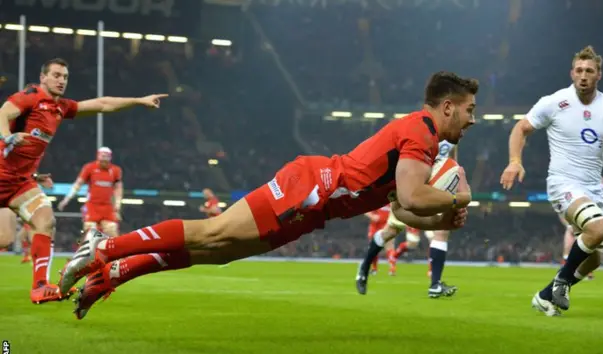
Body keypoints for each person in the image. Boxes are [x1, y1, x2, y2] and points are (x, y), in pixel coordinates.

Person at [59, 71, 478, 319]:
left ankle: (117, 272)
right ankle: (104, 247)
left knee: (218, 251)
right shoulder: (420, 132)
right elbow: (412, 194)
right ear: (446, 107)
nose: (472, 119)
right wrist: (458, 200)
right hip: (313, 185)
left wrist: (441, 220)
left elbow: (404, 210)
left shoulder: (425, 142)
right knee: (212, 230)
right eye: (469, 110)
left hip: (318, 208)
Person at [0, 57, 167, 304]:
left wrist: (138, 101)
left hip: (20, 182)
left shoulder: (61, 108)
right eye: (56, 75)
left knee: (45, 221)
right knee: (4, 239)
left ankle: (40, 287)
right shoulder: (30, 96)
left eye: (65, 77)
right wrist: (7, 137)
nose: (61, 80)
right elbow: (3, 112)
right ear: (43, 77)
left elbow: (102, 104)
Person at [500, 46, 603, 316]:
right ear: (572, 73)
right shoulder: (554, 102)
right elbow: (521, 128)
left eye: (589, 71)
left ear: (599, 75)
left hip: (592, 190)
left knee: (594, 258)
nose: (583, 75)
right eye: (579, 70)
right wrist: (515, 161)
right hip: (563, 184)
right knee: (599, 229)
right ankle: (562, 282)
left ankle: (545, 294)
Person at [356, 139, 459, 297]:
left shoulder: (452, 135)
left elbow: (453, 160)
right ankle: (364, 267)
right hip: (412, 187)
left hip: (436, 189)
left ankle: (435, 285)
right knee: (390, 231)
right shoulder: (422, 132)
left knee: (442, 231)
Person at [559, 177, 603, 280]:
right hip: (591, 223)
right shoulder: (585, 194)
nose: (602, 183)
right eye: (600, 181)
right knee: (586, 249)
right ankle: (584, 272)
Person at [58, 147, 123, 237]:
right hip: (92, 206)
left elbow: (118, 188)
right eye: (102, 160)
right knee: (89, 232)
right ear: (98, 157)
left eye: (106, 160)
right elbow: (78, 184)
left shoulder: (116, 170)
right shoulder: (89, 168)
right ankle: (90, 250)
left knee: (112, 232)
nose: (104, 163)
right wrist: (66, 199)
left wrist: (117, 206)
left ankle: (113, 250)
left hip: (108, 207)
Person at [362, 205, 391, 275]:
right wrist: (372, 216)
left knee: (389, 246)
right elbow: (365, 210)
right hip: (375, 227)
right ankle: (374, 268)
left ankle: (392, 268)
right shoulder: (377, 199)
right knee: (373, 247)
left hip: (386, 226)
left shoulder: (392, 200)